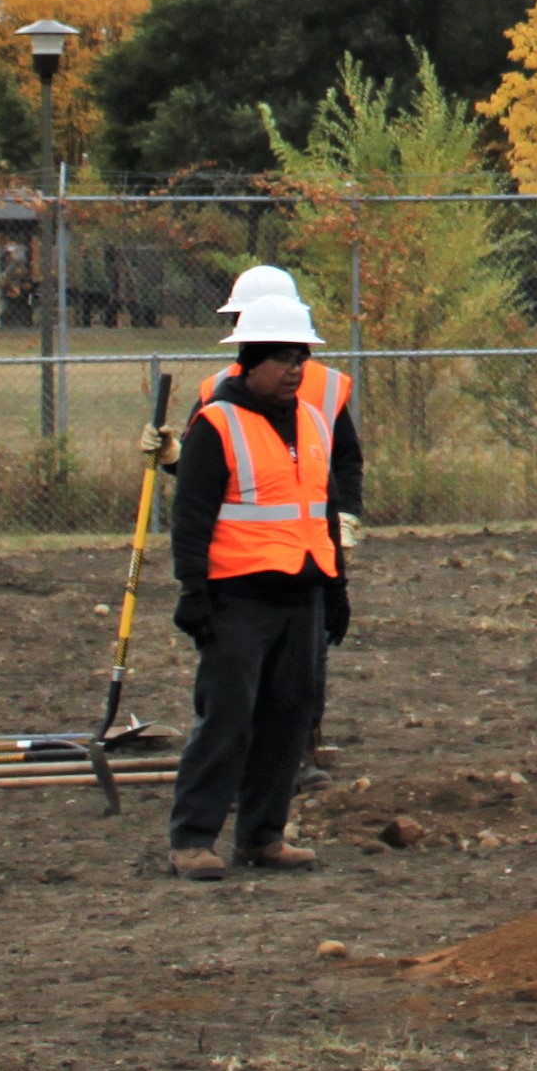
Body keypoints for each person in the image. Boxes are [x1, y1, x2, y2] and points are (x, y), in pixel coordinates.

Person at [163, 263, 360, 882]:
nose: (296, 371)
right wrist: (194, 592)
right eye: (283, 360)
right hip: (237, 597)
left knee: (290, 714)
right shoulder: (217, 423)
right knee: (225, 718)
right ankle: (194, 838)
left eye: (301, 358)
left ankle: (262, 836)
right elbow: (190, 516)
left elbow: (320, 506)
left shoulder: (310, 421)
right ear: (250, 362)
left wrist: (335, 588)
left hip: (301, 592)